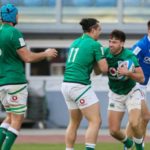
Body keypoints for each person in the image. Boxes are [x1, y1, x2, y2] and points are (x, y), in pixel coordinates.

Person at [0, 4, 57, 150]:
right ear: (14, 16)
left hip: (2, 82)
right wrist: (46, 53)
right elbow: (28, 57)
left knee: (10, 117)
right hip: (15, 81)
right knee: (18, 119)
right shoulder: (14, 33)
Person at [61, 18, 108, 150]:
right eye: (99, 30)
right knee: (95, 121)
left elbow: (96, 70)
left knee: (74, 122)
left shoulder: (75, 42)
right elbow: (104, 69)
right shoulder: (95, 45)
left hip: (66, 85)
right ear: (92, 30)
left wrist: (96, 64)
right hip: (79, 85)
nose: (100, 33)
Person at [104, 30, 145, 150]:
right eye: (110, 42)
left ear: (122, 43)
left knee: (134, 123)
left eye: (115, 42)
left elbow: (141, 78)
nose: (111, 44)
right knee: (113, 131)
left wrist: (128, 73)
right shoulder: (105, 53)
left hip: (132, 92)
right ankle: (129, 144)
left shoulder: (129, 56)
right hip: (115, 94)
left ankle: (139, 147)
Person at [124, 20, 150, 150]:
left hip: (143, 86)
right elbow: (127, 59)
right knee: (141, 117)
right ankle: (129, 147)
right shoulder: (141, 45)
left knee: (144, 118)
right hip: (135, 86)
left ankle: (139, 144)